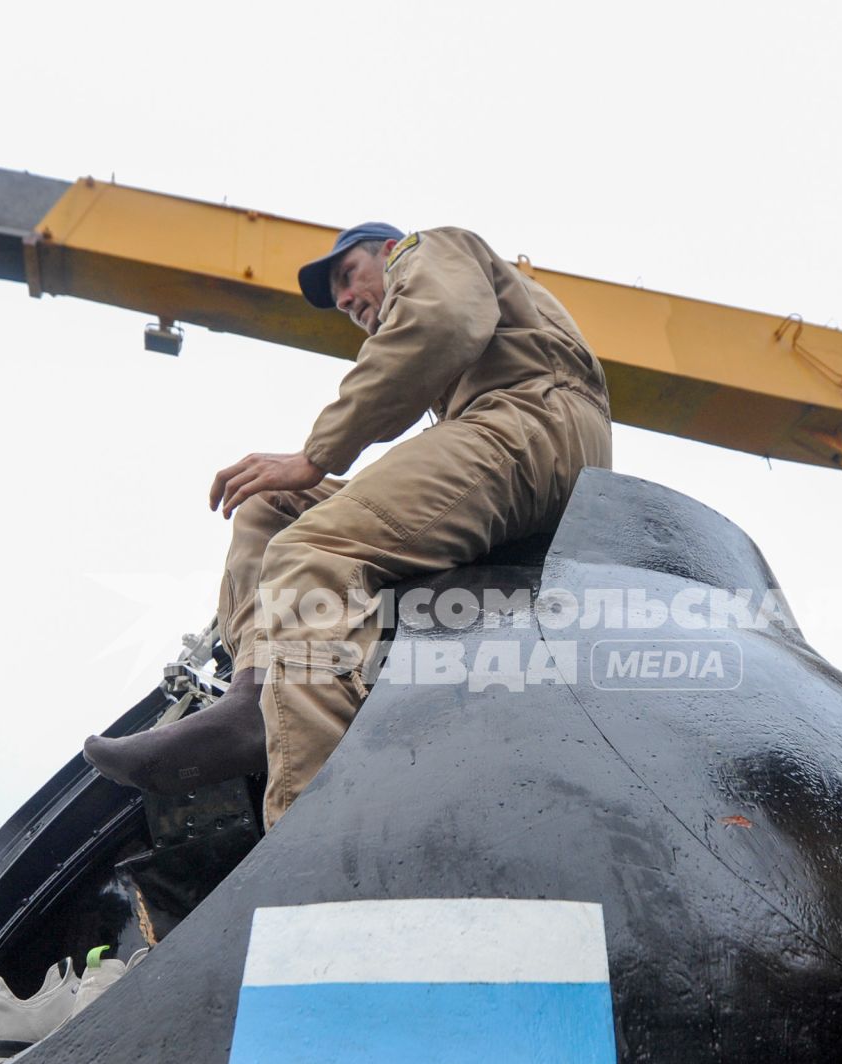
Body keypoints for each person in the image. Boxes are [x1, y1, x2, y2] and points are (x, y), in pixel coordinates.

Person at [85, 222, 613, 824]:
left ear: (389, 253)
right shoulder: (474, 370)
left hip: (528, 423)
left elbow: (438, 323)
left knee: (312, 553)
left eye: (347, 275)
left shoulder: (429, 247)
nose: (343, 299)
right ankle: (255, 696)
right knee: (272, 508)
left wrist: (317, 455)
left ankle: (309, 822)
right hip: (508, 429)